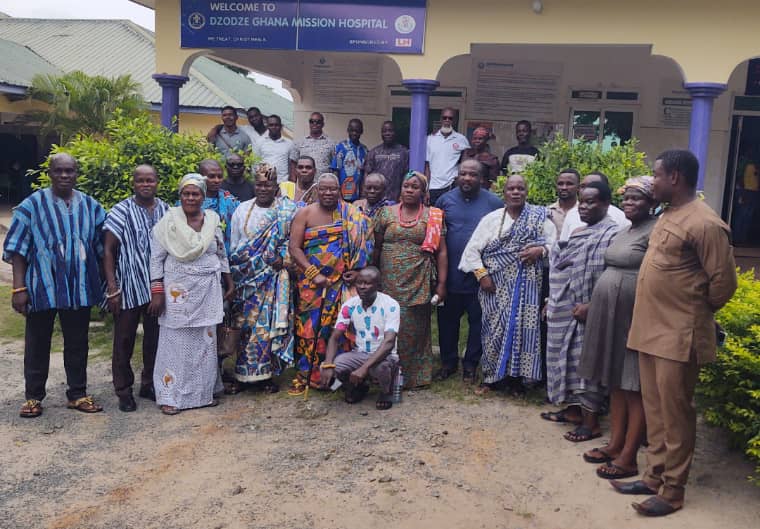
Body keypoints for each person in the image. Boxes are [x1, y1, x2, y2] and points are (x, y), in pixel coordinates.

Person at [611, 150, 737, 517]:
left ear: (675, 178)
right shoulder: (669, 214)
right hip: (650, 330)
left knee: (676, 413)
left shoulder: (705, 223)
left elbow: (723, 284)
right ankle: (654, 477)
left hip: (678, 334)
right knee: (656, 411)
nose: (652, 182)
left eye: (656, 175)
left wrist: (692, 310)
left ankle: (673, 490)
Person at [5, 153, 106, 417]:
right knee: (37, 342)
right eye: (58, 170)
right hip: (42, 287)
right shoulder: (32, 205)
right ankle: (33, 397)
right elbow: (17, 249)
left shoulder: (91, 206)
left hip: (78, 289)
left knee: (78, 342)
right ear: (49, 173)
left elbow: (102, 248)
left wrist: (104, 284)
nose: (64, 175)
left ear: (76, 174)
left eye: (69, 171)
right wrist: (18, 289)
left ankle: (78, 394)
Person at [576, 176, 657, 480]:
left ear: (652, 203)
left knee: (633, 384)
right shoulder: (627, 230)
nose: (629, 203)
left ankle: (629, 456)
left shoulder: (656, 231)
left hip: (633, 316)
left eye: (637, 198)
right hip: (611, 315)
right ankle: (615, 444)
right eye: (627, 198)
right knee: (616, 381)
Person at [460, 174, 555, 395]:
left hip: (528, 287)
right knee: (493, 331)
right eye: (511, 189)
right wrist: (482, 275)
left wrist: (541, 250)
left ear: (526, 192)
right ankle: (492, 378)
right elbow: (472, 251)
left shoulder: (540, 218)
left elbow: (556, 247)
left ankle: (517, 381)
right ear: (504, 193)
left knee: (523, 330)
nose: (515, 192)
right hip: (495, 287)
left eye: (520, 188)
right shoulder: (492, 219)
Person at [149, 174, 235, 415]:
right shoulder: (168, 223)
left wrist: (229, 281)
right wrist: (157, 292)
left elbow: (221, 253)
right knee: (175, 345)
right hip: (177, 296)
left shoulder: (212, 221)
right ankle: (170, 397)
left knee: (205, 343)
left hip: (208, 291)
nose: (190, 198)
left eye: (195, 193)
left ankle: (202, 395)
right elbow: (155, 260)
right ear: (180, 196)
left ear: (203, 196)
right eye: (186, 193)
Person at [543, 181, 619, 442]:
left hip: (593, 310)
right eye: (582, 202)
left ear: (606, 204)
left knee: (588, 364)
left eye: (591, 202)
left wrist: (592, 305)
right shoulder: (579, 232)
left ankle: (591, 423)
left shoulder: (613, 235)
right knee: (568, 361)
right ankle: (574, 411)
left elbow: (611, 276)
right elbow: (561, 264)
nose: (584, 207)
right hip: (567, 308)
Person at [288, 173, 373, 394]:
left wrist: (356, 271)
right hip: (313, 285)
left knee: (342, 330)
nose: (328, 193)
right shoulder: (305, 213)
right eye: (324, 189)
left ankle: (339, 377)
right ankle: (311, 376)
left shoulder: (351, 214)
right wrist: (313, 273)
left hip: (342, 285)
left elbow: (364, 245)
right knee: (310, 330)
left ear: (339, 191)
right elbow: (294, 248)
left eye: (333, 189)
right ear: (317, 190)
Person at [103, 165, 169, 412]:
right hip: (128, 286)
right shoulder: (121, 210)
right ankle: (123, 391)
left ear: (157, 182)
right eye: (140, 180)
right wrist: (113, 289)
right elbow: (108, 251)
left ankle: (148, 383)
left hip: (157, 288)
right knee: (124, 340)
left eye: (150, 180)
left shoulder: (166, 210)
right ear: (133, 183)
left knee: (155, 339)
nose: (145, 184)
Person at [374, 171, 447, 389]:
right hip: (388, 281)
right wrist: (372, 275)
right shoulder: (385, 213)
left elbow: (441, 252)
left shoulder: (432, 216)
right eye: (406, 186)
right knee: (388, 325)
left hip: (418, 279)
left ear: (423, 192)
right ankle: (384, 372)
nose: (409, 190)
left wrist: (442, 284)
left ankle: (415, 376)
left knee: (415, 327)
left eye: (415, 187)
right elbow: (376, 246)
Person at [228, 164, 298, 393]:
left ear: (276, 186)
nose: (263, 188)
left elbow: (293, 243)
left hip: (272, 277)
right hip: (246, 278)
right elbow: (235, 246)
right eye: (259, 184)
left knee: (266, 326)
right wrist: (241, 268)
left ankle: (266, 375)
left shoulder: (287, 211)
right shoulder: (242, 209)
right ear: (254, 186)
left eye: (268, 184)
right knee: (244, 325)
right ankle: (241, 375)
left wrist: (282, 259)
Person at [433, 160, 503, 384]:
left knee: (478, 322)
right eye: (463, 173)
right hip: (450, 275)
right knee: (447, 322)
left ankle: (471, 365)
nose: (467, 178)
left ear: (481, 178)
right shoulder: (444, 201)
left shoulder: (494, 202)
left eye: (472, 175)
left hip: (480, 277)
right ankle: (448, 362)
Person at [319, 266, 400, 410]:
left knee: (382, 368)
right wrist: (328, 364)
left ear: (378, 286)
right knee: (332, 367)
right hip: (360, 353)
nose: (362, 287)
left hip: (384, 356)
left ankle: (387, 391)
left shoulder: (391, 305)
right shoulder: (349, 305)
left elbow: (389, 342)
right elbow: (334, 337)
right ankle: (356, 387)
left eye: (367, 283)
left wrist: (364, 368)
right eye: (359, 283)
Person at [559, 172, 630, 241]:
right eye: (583, 186)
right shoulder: (572, 214)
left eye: (593, 186)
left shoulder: (620, 217)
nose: (587, 190)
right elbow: (563, 243)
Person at [426, 108, 469, 205]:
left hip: (451, 187)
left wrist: (459, 181)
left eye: (450, 118)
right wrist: (426, 189)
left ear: (455, 120)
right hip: (433, 188)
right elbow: (427, 166)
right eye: (444, 117)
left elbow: (465, 164)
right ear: (440, 119)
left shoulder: (461, 139)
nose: (447, 120)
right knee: (433, 214)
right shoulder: (430, 139)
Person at [198, 158, 240, 254]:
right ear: (201, 177)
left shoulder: (230, 201)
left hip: (226, 254)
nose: (216, 180)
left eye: (220, 176)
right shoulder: (190, 201)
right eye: (211, 176)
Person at [365, 121, 409, 201]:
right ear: (381, 134)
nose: (387, 133)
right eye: (384, 131)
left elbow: (406, 175)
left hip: (396, 198)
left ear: (395, 133)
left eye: (390, 131)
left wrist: (403, 194)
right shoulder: (373, 152)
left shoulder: (404, 152)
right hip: (376, 199)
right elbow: (367, 174)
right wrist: (364, 196)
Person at [332, 118, 368, 202]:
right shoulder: (340, 148)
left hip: (359, 195)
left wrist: (364, 194)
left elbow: (365, 173)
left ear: (361, 131)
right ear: (348, 130)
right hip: (343, 195)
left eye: (357, 131)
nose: (354, 133)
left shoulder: (364, 150)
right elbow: (335, 171)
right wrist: (337, 193)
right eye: (352, 130)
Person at [289, 112, 333, 178]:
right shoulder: (299, 142)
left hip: (323, 182)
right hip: (304, 182)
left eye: (318, 122)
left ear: (323, 124)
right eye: (312, 121)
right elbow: (293, 163)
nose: (314, 124)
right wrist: (293, 180)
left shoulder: (331, 143)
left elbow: (334, 166)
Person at [254, 114, 293, 184]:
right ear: (267, 126)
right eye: (271, 125)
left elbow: (291, 165)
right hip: (265, 183)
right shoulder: (260, 142)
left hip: (283, 183)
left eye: (276, 125)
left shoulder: (289, 143)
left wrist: (290, 182)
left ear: (281, 126)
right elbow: (256, 163)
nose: (274, 127)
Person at [546, 169, 580, 235]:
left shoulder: (584, 211)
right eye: (560, 184)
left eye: (569, 184)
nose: (564, 187)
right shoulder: (547, 212)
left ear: (578, 187)